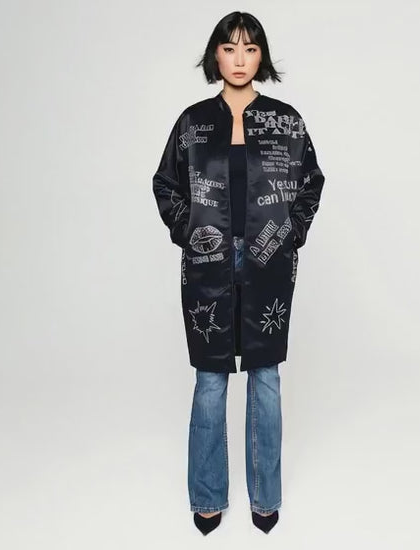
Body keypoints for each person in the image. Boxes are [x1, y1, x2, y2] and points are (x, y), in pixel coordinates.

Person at [152, 11, 326, 535]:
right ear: (216, 55)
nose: (240, 59)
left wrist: (290, 234)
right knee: (210, 377)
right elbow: (166, 184)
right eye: (230, 48)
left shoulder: (285, 122)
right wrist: (189, 232)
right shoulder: (192, 123)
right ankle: (207, 495)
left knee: (265, 375)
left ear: (261, 56)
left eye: (250, 49)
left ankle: (265, 496)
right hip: (207, 261)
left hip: (268, 258)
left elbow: (312, 182)